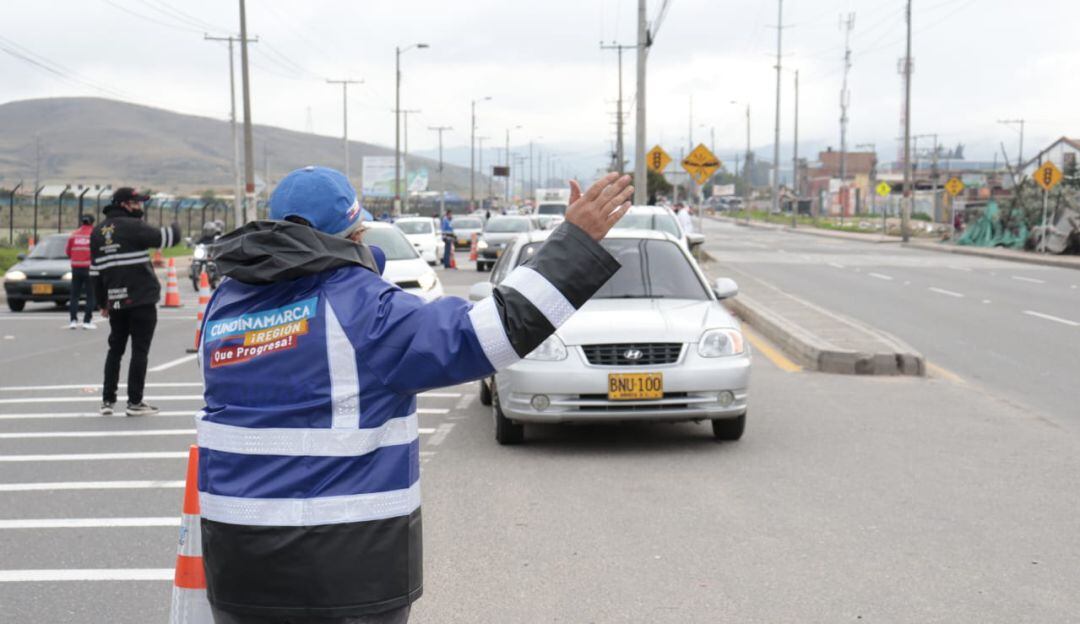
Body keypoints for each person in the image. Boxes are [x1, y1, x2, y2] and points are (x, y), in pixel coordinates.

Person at [197, 166, 633, 623]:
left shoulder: (226, 303)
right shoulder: (361, 308)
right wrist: (575, 243)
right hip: (345, 571)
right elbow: (492, 332)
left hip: (237, 564)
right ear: (356, 234)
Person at [90, 188, 181, 417]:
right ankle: (135, 402)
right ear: (124, 204)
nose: (140, 206)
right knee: (139, 351)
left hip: (115, 301)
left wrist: (102, 302)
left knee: (115, 350)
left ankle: (107, 401)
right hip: (141, 299)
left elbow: (95, 273)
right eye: (136, 202)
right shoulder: (134, 226)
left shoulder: (98, 232)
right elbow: (169, 238)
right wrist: (176, 223)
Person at [65, 214, 96, 329]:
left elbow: (68, 251)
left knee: (74, 295)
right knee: (91, 295)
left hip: (76, 268)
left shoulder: (74, 235)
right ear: (92, 222)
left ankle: (73, 321)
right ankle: (87, 321)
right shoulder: (94, 234)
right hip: (89, 268)